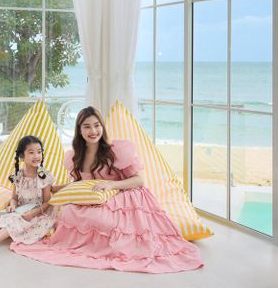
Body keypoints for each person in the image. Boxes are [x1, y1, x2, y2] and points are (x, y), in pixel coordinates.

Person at [12, 106, 203, 273]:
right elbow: (80, 184)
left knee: (102, 218)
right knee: (69, 210)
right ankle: (85, 247)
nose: (93, 130)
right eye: (86, 126)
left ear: (102, 127)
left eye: (97, 125)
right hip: (97, 194)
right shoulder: (76, 156)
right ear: (79, 130)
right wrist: (51, 188)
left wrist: (112, 185)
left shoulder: (116, 150)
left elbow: (139, 180)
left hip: (125, 193)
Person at [0, 135, 55, 254]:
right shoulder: (18, 176)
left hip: (38, 214)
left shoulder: (44, 176)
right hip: (21, 210)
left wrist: (33, 213)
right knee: (3, 218)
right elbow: (14, 198)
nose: (36, 156)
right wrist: (13, 205)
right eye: (31, 152)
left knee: (13, 220)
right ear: (22, 156)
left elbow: (47, 202)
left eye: (39, 152)